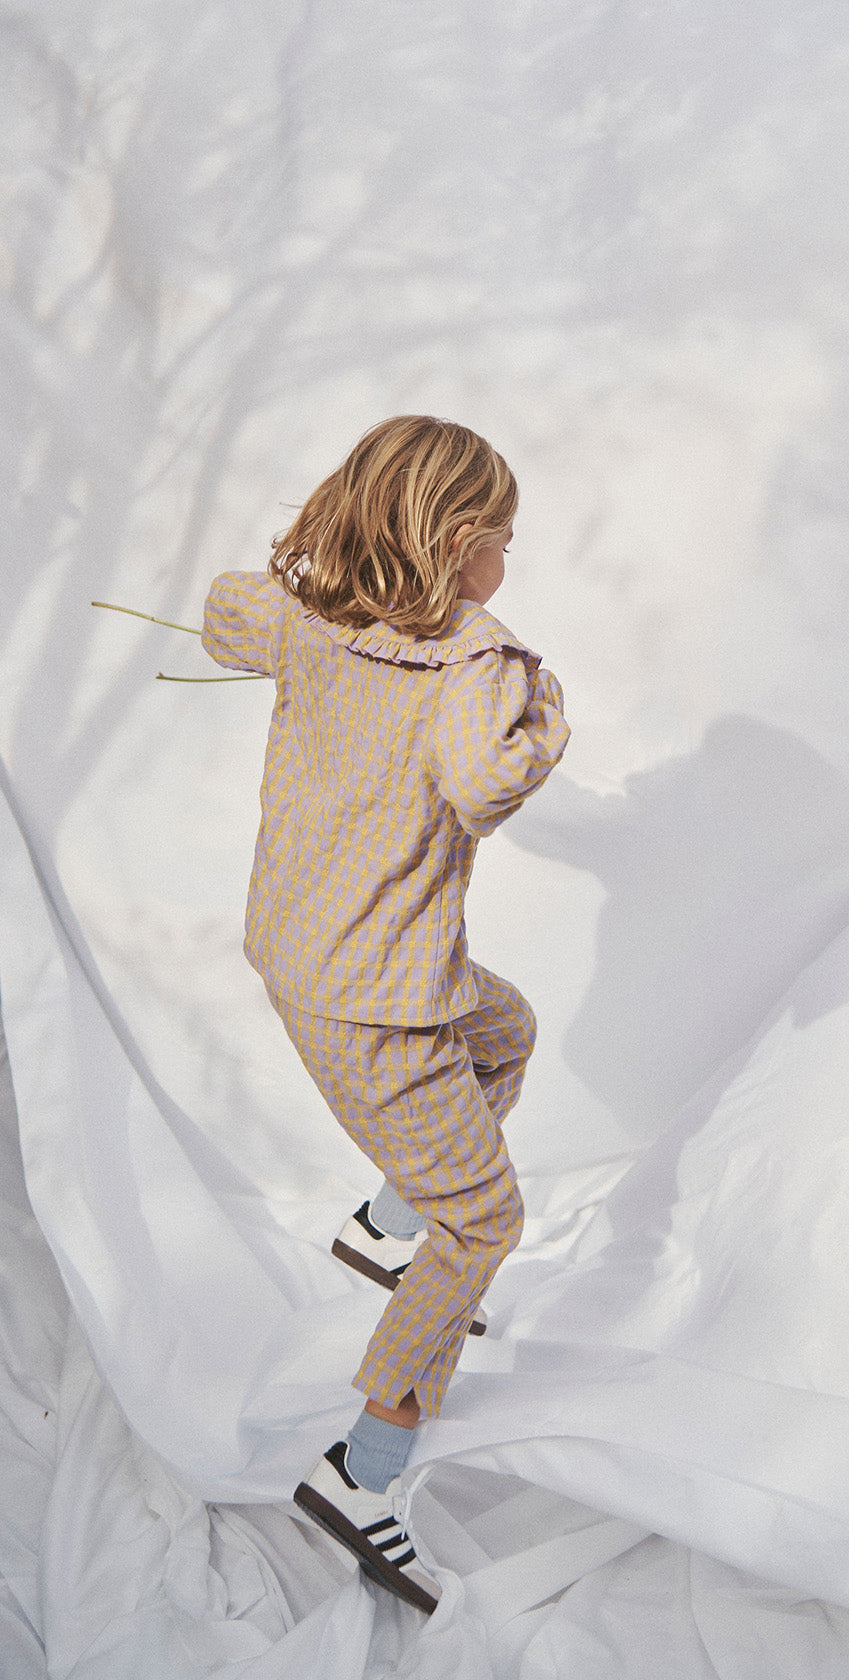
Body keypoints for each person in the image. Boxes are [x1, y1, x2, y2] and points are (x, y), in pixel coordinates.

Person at [201, 415, 570, 1613]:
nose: (507, 567)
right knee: (488, 1225)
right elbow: (478, 785)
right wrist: (543, 718)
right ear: (463, 544)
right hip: (382, 1007)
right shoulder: (478, 666)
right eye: (502, 544)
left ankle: (385, 1214)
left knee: (506, 1032)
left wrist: (315, 581)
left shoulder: (311, 619)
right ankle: (361, 1470)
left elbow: (222, 613)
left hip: (302, 953)